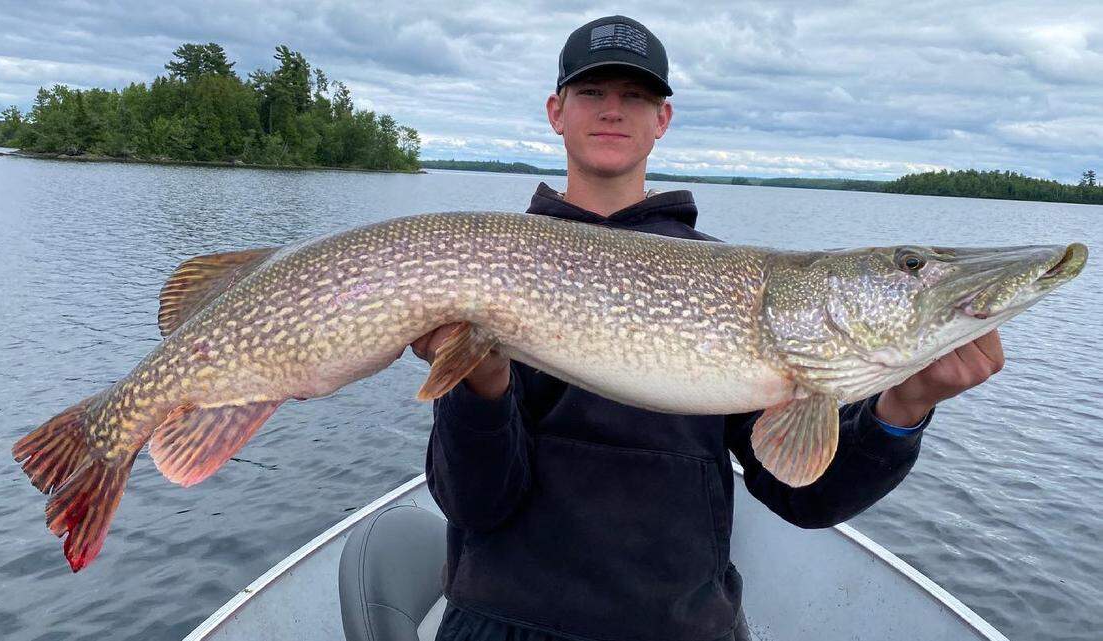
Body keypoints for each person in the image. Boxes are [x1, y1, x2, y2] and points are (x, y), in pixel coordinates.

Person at [411, 15, 1005, 641]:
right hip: (503, 618)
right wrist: (481, 387)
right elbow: (475, 502)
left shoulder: (732, 283)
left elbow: (805, 496)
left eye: (635, 95)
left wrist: (903, 408)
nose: (612, 110)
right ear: (557, 112)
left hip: (678, 625)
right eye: (592, 92)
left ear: (662, 119)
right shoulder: (494, 263)